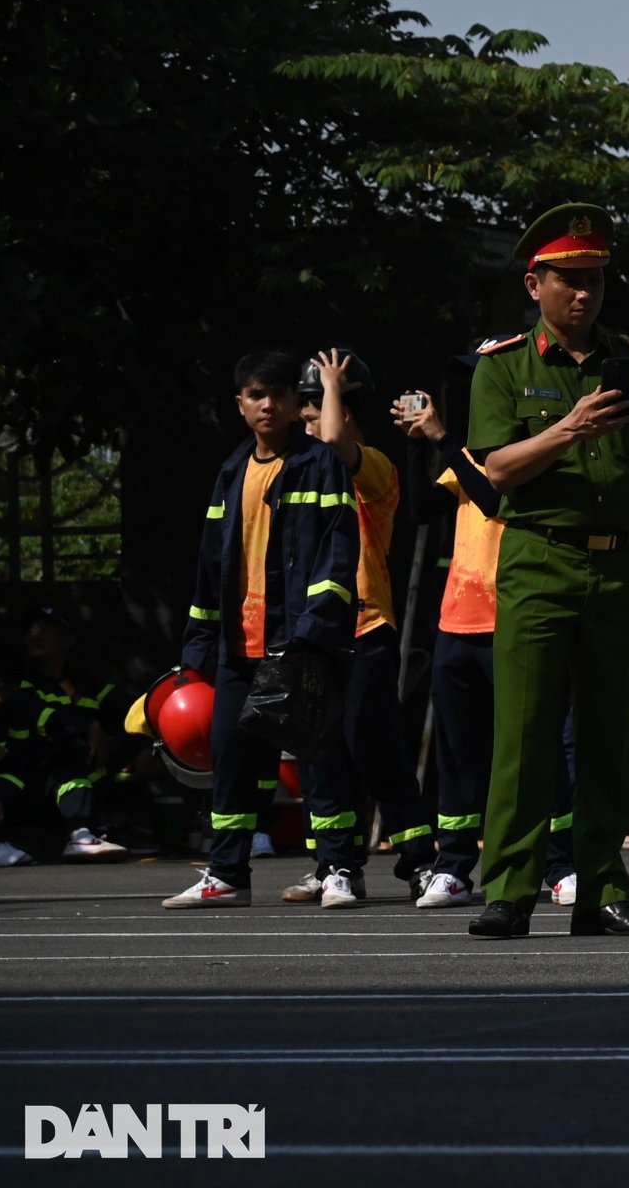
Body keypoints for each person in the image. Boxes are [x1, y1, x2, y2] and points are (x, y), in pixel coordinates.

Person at [463, 202, 629, 939]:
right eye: (569, 280)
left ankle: (601, 890)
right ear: (535, 284)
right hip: (539, 560)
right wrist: (568, 430)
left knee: (607, 738)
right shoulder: (502, 367)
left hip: (621, 565)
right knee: (525, 734)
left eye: (595, 280)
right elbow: (495, 469)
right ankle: (509, 889)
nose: (584, 294)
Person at [163, 349, 362, 909]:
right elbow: (209, 568)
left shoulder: (321, 463)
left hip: (298, 641)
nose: (268, 404)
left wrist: (314, 629)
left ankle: (338, 869)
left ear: (297, 402)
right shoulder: (230, 472)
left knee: (318, 758)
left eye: (278, 394)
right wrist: (198, 649)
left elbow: (337, 550)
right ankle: (227, 873)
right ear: (240, 405)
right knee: (231, 760)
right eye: (256, 394)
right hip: (237, 646)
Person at [391, 373, 578, 909]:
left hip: (514, 620)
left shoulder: (528, 454)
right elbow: (422, 513)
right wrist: (413, 447)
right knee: (458, 754)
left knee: (534, 748)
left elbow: (491, 500)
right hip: (457, 624)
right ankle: (452, 867)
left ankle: (560, 864)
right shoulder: (469, 453)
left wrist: (442, 439)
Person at [278, 348, 437, 907]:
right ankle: (336, 865)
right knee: (319, 754)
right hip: (310, 632)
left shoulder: (372, 467)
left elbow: (332, 445)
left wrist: (330, 386)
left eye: (319, 411)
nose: (309, 424)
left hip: (366, 625)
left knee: (374, 748)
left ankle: (420, 862)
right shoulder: (291, 476)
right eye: (305, 413)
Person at [0, 607, 134, 862]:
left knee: (86, 767)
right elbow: (44, 716)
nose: (35, 634)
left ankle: (95, 832)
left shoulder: (86, 684)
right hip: (24, 784)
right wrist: (89, 726)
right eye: (31, 629)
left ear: (68, 640)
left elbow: (133, 711)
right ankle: (81, 832)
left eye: (46, 628)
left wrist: (146, 746)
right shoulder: (21, 683)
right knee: (61, 770)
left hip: (60, 783)